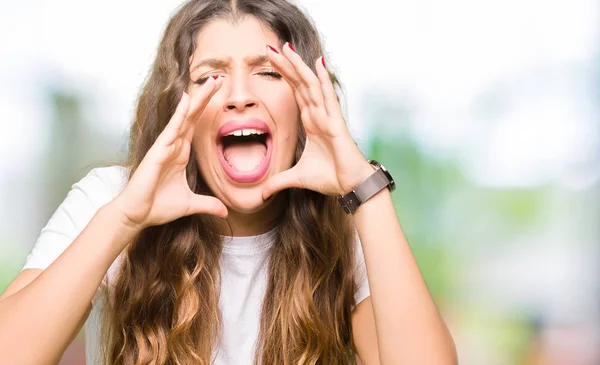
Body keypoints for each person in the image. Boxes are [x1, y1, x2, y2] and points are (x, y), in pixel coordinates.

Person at [0, 0, 457, 364]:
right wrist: (124, 218)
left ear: (304, 105)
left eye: (268, 72)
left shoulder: (348, 214)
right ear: (178, 107)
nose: (239, 96)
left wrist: (364, 187)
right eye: (210, 77)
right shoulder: (111, 198)